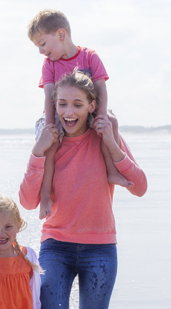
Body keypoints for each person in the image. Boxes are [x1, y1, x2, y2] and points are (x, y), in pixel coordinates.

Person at [19, 71, 147, 309]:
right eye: (62, 104)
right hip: (56, 246)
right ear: (53, 105)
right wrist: (38, 150)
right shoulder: (50, 140)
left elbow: (139, 186)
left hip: (100, 251)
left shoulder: (104, 138)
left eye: (77, 104)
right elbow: (27, 201)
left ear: (93, 106)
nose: (69, 111)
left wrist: (112, 140)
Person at [27, 9, 132, 219]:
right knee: (50, 144)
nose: (40, 51)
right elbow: (49, 96)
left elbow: (101, 87)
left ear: (60, 34)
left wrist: (101, 116)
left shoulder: (89, 57)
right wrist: (50, 127)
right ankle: (46, 195)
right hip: (56, 114)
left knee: (111, 121)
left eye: (42, 44)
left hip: (88, 109)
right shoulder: (49, 64)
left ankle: (111, 171)